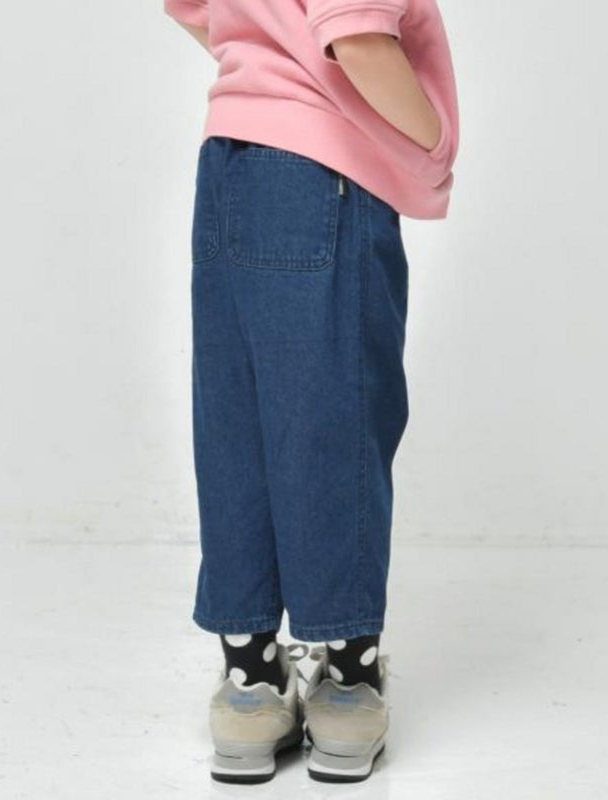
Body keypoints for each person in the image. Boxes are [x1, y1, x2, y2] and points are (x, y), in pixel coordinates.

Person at [163, 0, 459, 784]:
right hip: (324, 172)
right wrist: (433, 141)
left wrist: (264, 66)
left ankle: (251, 685)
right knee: (336, 416)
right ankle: (347, 688)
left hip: (227, 162)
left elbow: (195, 11)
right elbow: (356, 38)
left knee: (238, 419)